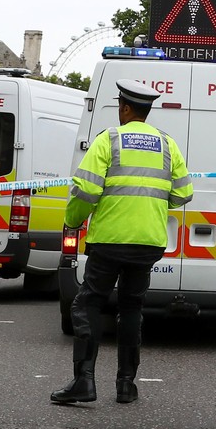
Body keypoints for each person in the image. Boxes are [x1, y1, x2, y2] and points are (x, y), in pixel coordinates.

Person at [52, 78, 193, 406]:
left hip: (109, 240)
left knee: (88, 303)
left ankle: (83, 382)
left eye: (119, 106)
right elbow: (184, 193)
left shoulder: (109, 141)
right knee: (132, 307)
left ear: (126, 108)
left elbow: (85, 191)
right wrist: (152, 205)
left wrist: (72, 221)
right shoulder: (167, 145)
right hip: (148, 243)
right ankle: (126, 385)